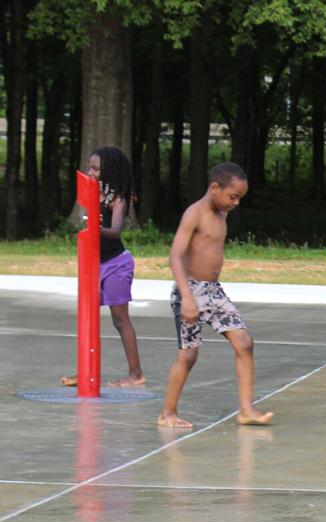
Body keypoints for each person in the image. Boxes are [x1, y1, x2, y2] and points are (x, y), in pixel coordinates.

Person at [156, 163, 274, 430]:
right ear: (214, 188)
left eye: (239, 198)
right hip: (190, 291)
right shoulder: (194, 213)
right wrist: (186, 297)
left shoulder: (222, 212)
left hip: (213, 291)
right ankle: (167, 412)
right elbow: (175, 255)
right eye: (233, 196)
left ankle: (246, 409)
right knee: (188, 356)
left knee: (244, 342)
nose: (235, 203)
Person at [61, 147, 145, 387]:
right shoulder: (95, 193)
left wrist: (92, 231)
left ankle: (136, 374)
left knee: (120, 320)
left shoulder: (119, 197)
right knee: (87, 318)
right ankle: (86, 370)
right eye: (90, 167)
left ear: (110, 170)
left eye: (96, 168)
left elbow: (115, 230)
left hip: (116, 264)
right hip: (94, 264)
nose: (91, 172)